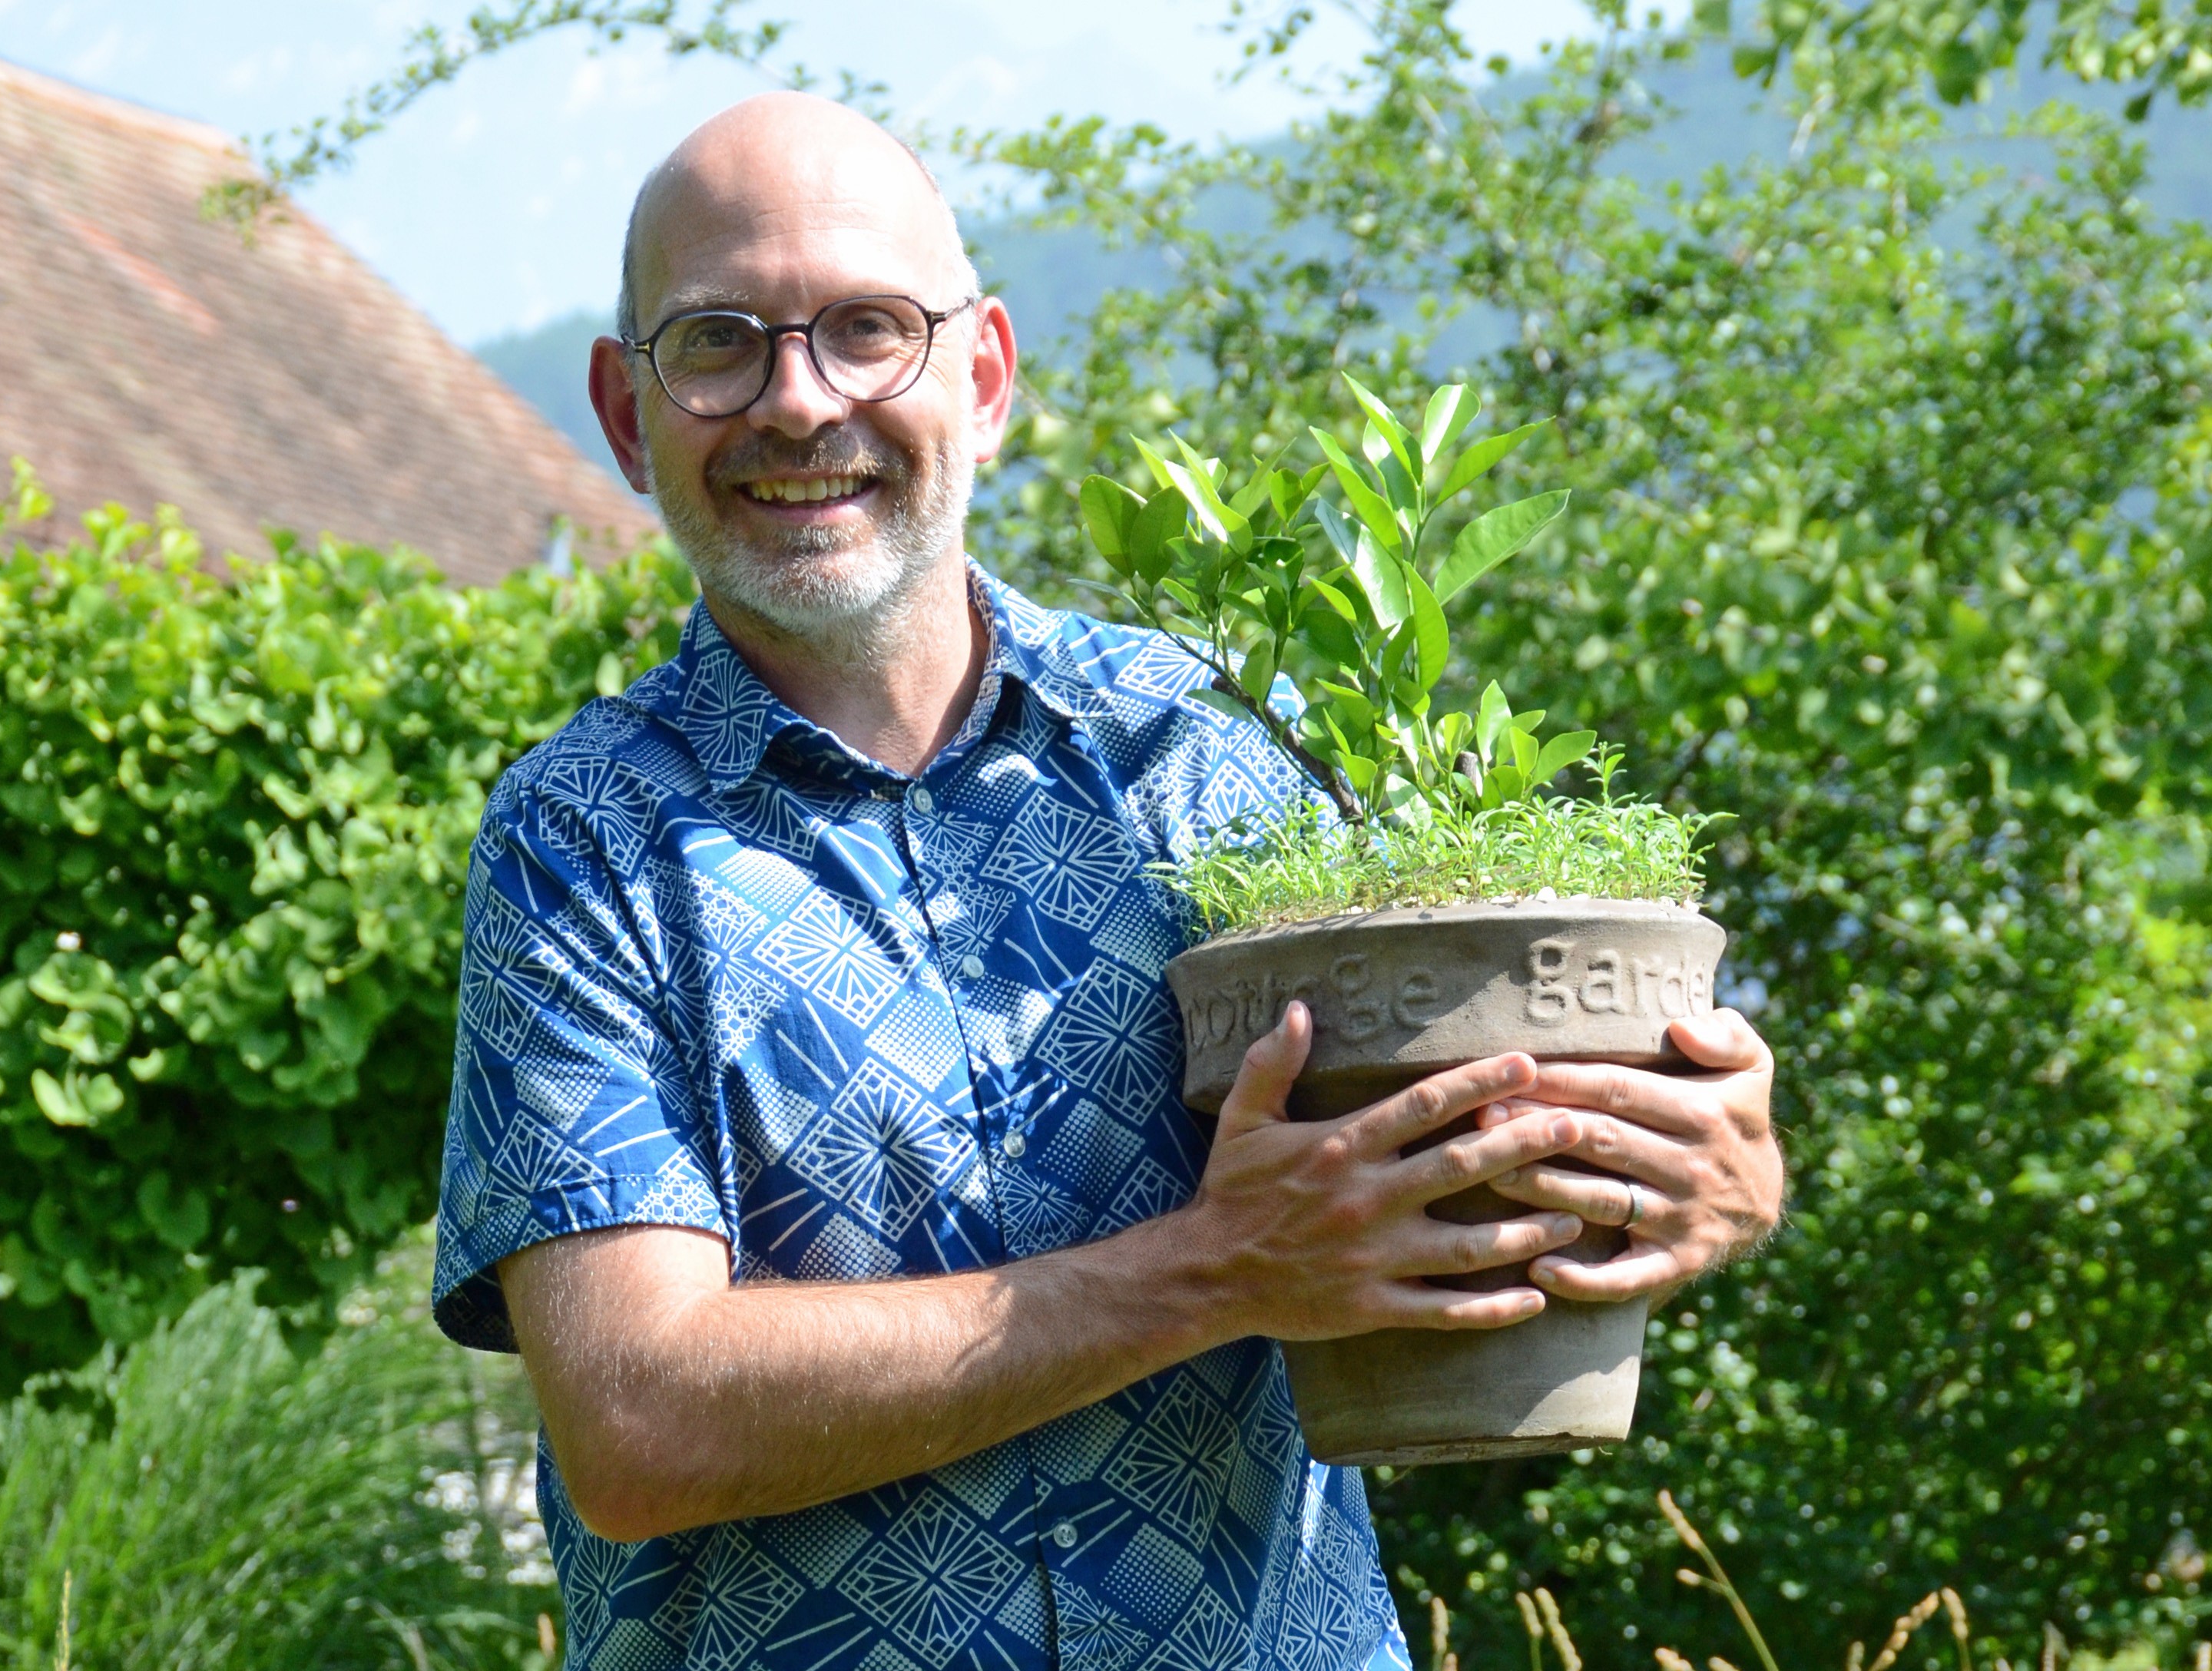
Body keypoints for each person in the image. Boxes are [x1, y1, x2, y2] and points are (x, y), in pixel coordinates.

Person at [432, 91, 1782, 1671]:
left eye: (870, 329)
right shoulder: (583, 839)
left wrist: (1695, 1178)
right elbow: (641, 1417)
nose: (800, 404)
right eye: (720, 342)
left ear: (986, 376)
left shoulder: (1214, 752)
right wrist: (1213, 1270)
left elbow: (1476, 1129)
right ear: (624, 409)